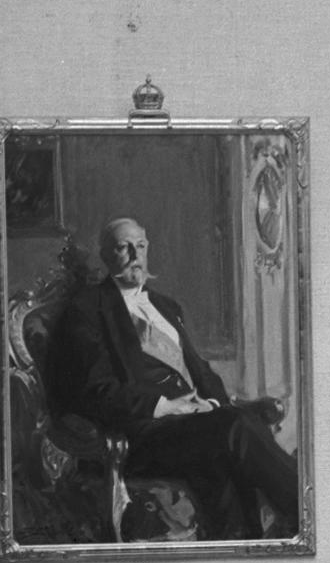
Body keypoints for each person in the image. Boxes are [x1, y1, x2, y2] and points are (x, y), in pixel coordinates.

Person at [36, 216, 300, 541]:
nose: (135, 255)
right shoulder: (87, 310)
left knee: (226, 446)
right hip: (142, 434)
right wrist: (165, 406)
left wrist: (210, 402)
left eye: (141, 246)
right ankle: (305, 513)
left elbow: (200, 370)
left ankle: (244, 542)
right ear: (106, 256)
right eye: (123, 247)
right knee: (237, 426)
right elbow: (96, 390)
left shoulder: (165, 306)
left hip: (192, 425)